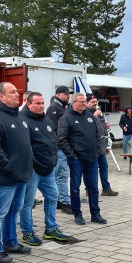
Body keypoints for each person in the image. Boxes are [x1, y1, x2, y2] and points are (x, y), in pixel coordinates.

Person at [0, 82, 33, 263]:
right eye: (12, 92)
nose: (16, 95)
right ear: (1, 96)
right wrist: (7, 166)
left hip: (21, 174)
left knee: (14, 211)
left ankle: (10, 242)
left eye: (17, 92)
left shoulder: (19, 116)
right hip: (5, 175)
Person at [20, 92, 70, 246]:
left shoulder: (47, 121)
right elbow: (24, 146)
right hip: (33, 170)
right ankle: (27, 232)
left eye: (42, 103)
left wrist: (53, 159)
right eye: (37, 103)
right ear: (28, 104)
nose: (41, 106)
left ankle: (51, 228)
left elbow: (53, 142)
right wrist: (34, 163)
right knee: (27, 203)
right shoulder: (23, 120)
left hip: (48, 169)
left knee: (53, 197)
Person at [58, 92, 107, 226]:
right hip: (77, 159)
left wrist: (97, 150)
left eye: (85, 101)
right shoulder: (66, 118)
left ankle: (95, 214)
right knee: (75, 188)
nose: (84, 104)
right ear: (73, 103)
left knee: (93, 187)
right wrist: (72, 155)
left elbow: (98, 135)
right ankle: (77, 214)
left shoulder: (90, 116)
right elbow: (61, 140)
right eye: (81, 102)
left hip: (92, 158)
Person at [46, 86, 72, 214]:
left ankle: (57, 200)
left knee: (59, 175)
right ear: (60, 94)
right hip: (59, 147)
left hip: (63, 147)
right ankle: (64, 202)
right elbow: (53, 130)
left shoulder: (62, 107)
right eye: (67, 94)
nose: (68, 96)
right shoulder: (54, 108)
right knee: (61, 175)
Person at [87, 94, 119, 196]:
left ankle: (106, 188)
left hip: (102, 146)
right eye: (92, 102)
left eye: (96, 102)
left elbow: (104, 129)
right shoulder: (85, 113)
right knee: (92, 169)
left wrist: (107, 145)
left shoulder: (100, 114)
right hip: (92, 147)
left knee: (104, 167)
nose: (95, 104)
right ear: (87, 103)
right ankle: (90, 189)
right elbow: (87, 127)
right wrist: (94, 115)